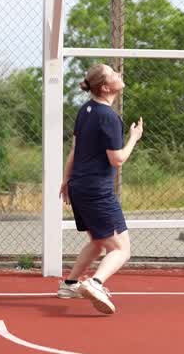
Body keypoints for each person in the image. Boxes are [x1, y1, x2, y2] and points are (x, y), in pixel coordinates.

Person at [57, 63, 143, 314]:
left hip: (79, 185)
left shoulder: (85, 110)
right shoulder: (109, 117)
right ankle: (95, 283)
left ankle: (70, 284)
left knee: (97, 241)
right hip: (97, 190)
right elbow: (116, 160)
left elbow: (75, 150)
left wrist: (66, 181)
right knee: (121, 249)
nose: (119, 74)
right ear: (106, 87)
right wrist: (134, 138)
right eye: (114, 73)